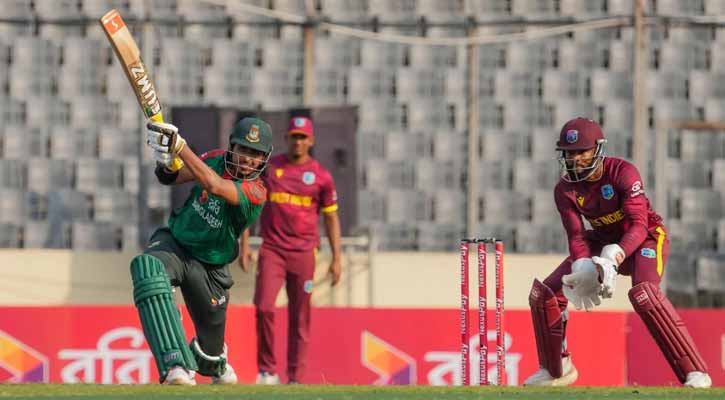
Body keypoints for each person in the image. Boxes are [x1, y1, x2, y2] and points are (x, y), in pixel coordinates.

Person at [523, 117, 712, 388]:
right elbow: (576, 235)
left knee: (645, 294)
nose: (574, 159)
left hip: (645, 240)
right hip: (601, 240)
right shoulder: (564, 190)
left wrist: (616, 255)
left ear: (598, 149)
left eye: (581, 152)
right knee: (545, 294)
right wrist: (582, 264)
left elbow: (639, 224)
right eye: (569, 153)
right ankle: (556, 368)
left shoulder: (623, 172)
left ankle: (695, 372)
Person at [130, 117, 273, 385]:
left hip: (211, 267)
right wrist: (166, 161)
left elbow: (215, 186)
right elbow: (172, 178)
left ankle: (216, 359)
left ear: (263, 159)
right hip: (176, 244)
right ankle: (175, 364)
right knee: (148, 270)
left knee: (210, 357)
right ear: (232, 147)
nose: (248, 159)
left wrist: (179, 146)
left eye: (256, 154)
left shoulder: (257, 191)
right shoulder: (216, 159)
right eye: (243, 149)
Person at [239, 116, 342, 385]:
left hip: (304, 253)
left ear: (311, 140)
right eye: (294, 136)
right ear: (286, 139)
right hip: (272, 250)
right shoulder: (270, 168)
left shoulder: (321, 177)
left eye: (303, 137)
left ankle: (296, 377)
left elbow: (331, 218)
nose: (298, 141)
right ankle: (267, 371)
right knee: (263, 307)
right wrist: (244, 243)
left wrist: (337, 259)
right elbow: (249, 202)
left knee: (300, 317)